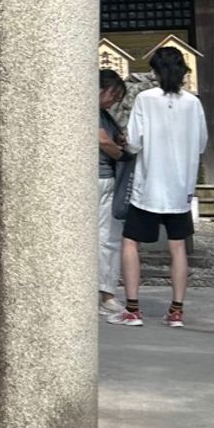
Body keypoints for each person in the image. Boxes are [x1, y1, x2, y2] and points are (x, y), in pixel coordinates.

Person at [109, 45, 208, 328]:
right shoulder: (193, 103)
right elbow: (201, 144)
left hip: (149, 186)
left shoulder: (144, 98)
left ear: (154, 71)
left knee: (131, 243)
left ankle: (132, 309)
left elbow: (136, 142)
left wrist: (126, 141)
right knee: (178, 248)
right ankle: (176, 311)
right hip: (180, 189)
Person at [97, 68, 128, 316]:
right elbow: (103, 141)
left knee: (106, 238)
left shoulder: (105, 115)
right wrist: (124, 157)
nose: (114, 100)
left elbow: (114, 138)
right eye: (113, 94)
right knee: (108, 238)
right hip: (100, 177)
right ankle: (106, 294)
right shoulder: (93, 113)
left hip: (105, 178)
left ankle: (104, 292)